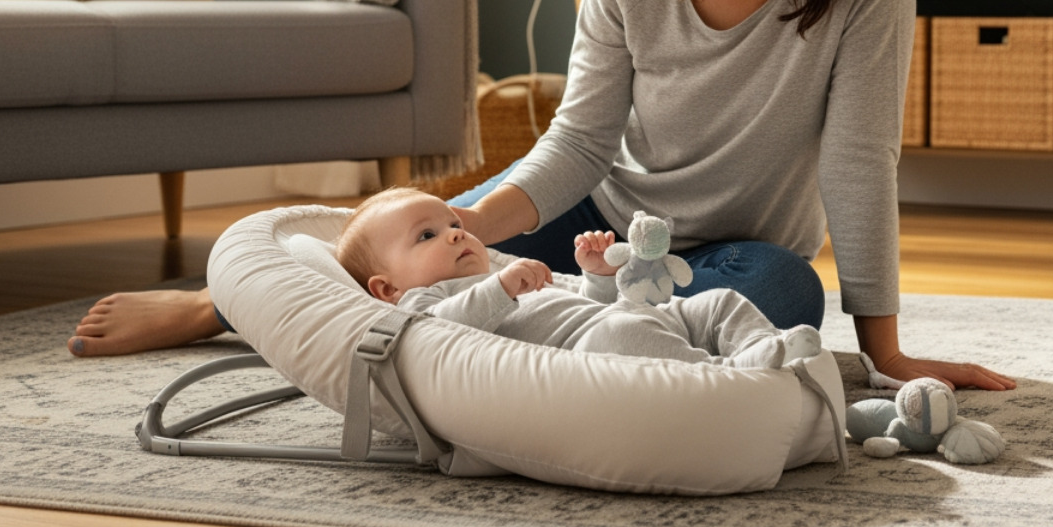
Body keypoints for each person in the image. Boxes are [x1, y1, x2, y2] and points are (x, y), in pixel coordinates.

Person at [68, 0, 1016, 394]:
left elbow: (857, 156)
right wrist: (468, 229)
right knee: (419, 244)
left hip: (733, 249)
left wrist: (883, 353)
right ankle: (226, 306)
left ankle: (538, 319)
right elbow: (581, 141)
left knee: (782, 303)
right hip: (599, 209)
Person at [337, 185, 821, 368]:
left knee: (716, 304)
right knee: (620, 331)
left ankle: (760, 345)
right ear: (387, 287)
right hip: (597, 347)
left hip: (626, 319)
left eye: (456, 225)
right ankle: (730, 375)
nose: (455, 236)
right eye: (427, 236)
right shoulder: (417, 306)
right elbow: (440, 330)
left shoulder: (503, 269)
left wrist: (596, 277)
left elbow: (587, 301)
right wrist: (499, 288)